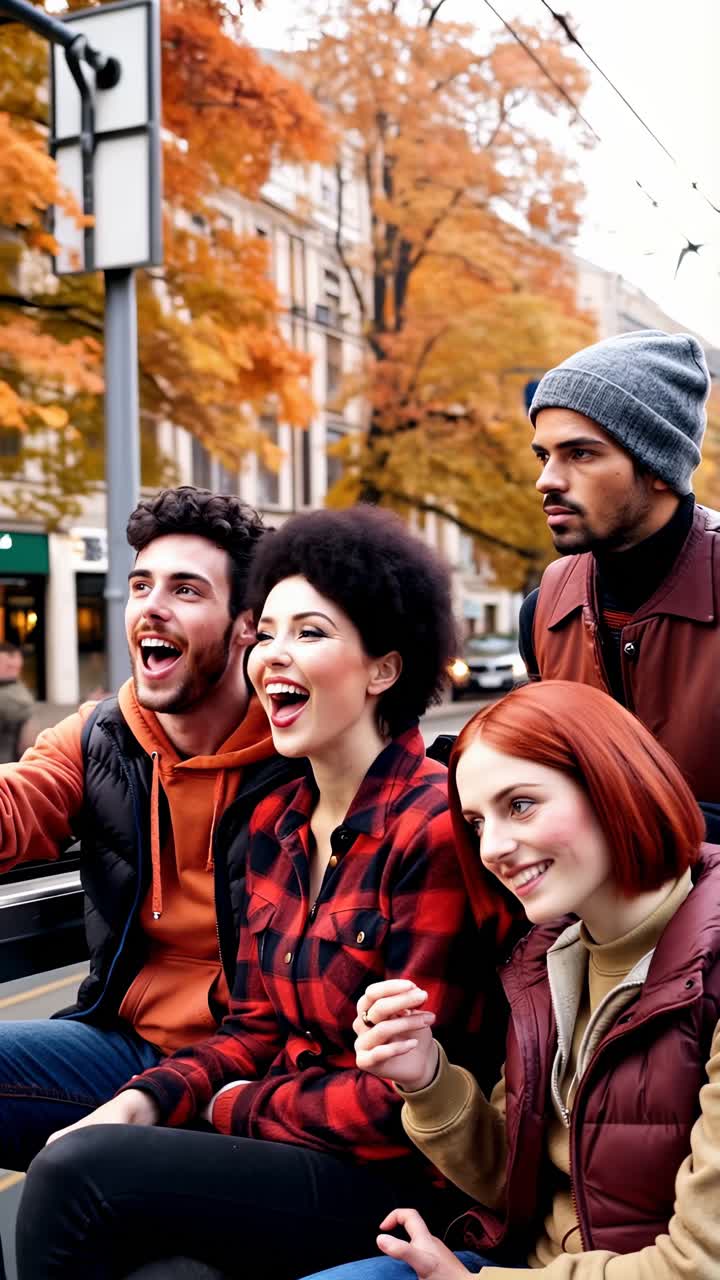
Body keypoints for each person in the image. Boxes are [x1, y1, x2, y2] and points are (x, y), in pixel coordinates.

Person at [15, 505, 516, 1280]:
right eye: (270, 633)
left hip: (394, 1183)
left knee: (75, 1179)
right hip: (279, 1133)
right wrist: (142, 1101)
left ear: (384, 668)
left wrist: (228, 1109)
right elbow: (251, 1026)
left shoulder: (437, 828)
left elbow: (401, 1104)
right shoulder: (279, 822)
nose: (275, 655)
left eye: (309, 634)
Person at [301, 679, 720, 1280]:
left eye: (520, 804)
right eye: (474, 823)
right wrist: (424, 1077)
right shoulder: (550, 956)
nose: (492, 847)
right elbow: (514, 1183)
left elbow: (700, 1266)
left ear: (612, 781)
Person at [0, 485, 298, 1171]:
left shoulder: (302, 745)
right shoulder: (101, 732)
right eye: (141, 586)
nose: (151, 607)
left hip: (262, 1074)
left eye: (187, 591)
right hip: (125, 1048)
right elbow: (21, 801)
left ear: (246, 624)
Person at [518, 329, 719, 840]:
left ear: (658, 466)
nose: (547, 480)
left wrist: (655, 820)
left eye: (580, 454)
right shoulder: (543, 612)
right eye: (545, 456)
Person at [0, 641, 34, 762]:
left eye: (14, 667)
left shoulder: (14, 698)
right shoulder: (19, 693)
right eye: (8, 667)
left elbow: (26, 743)